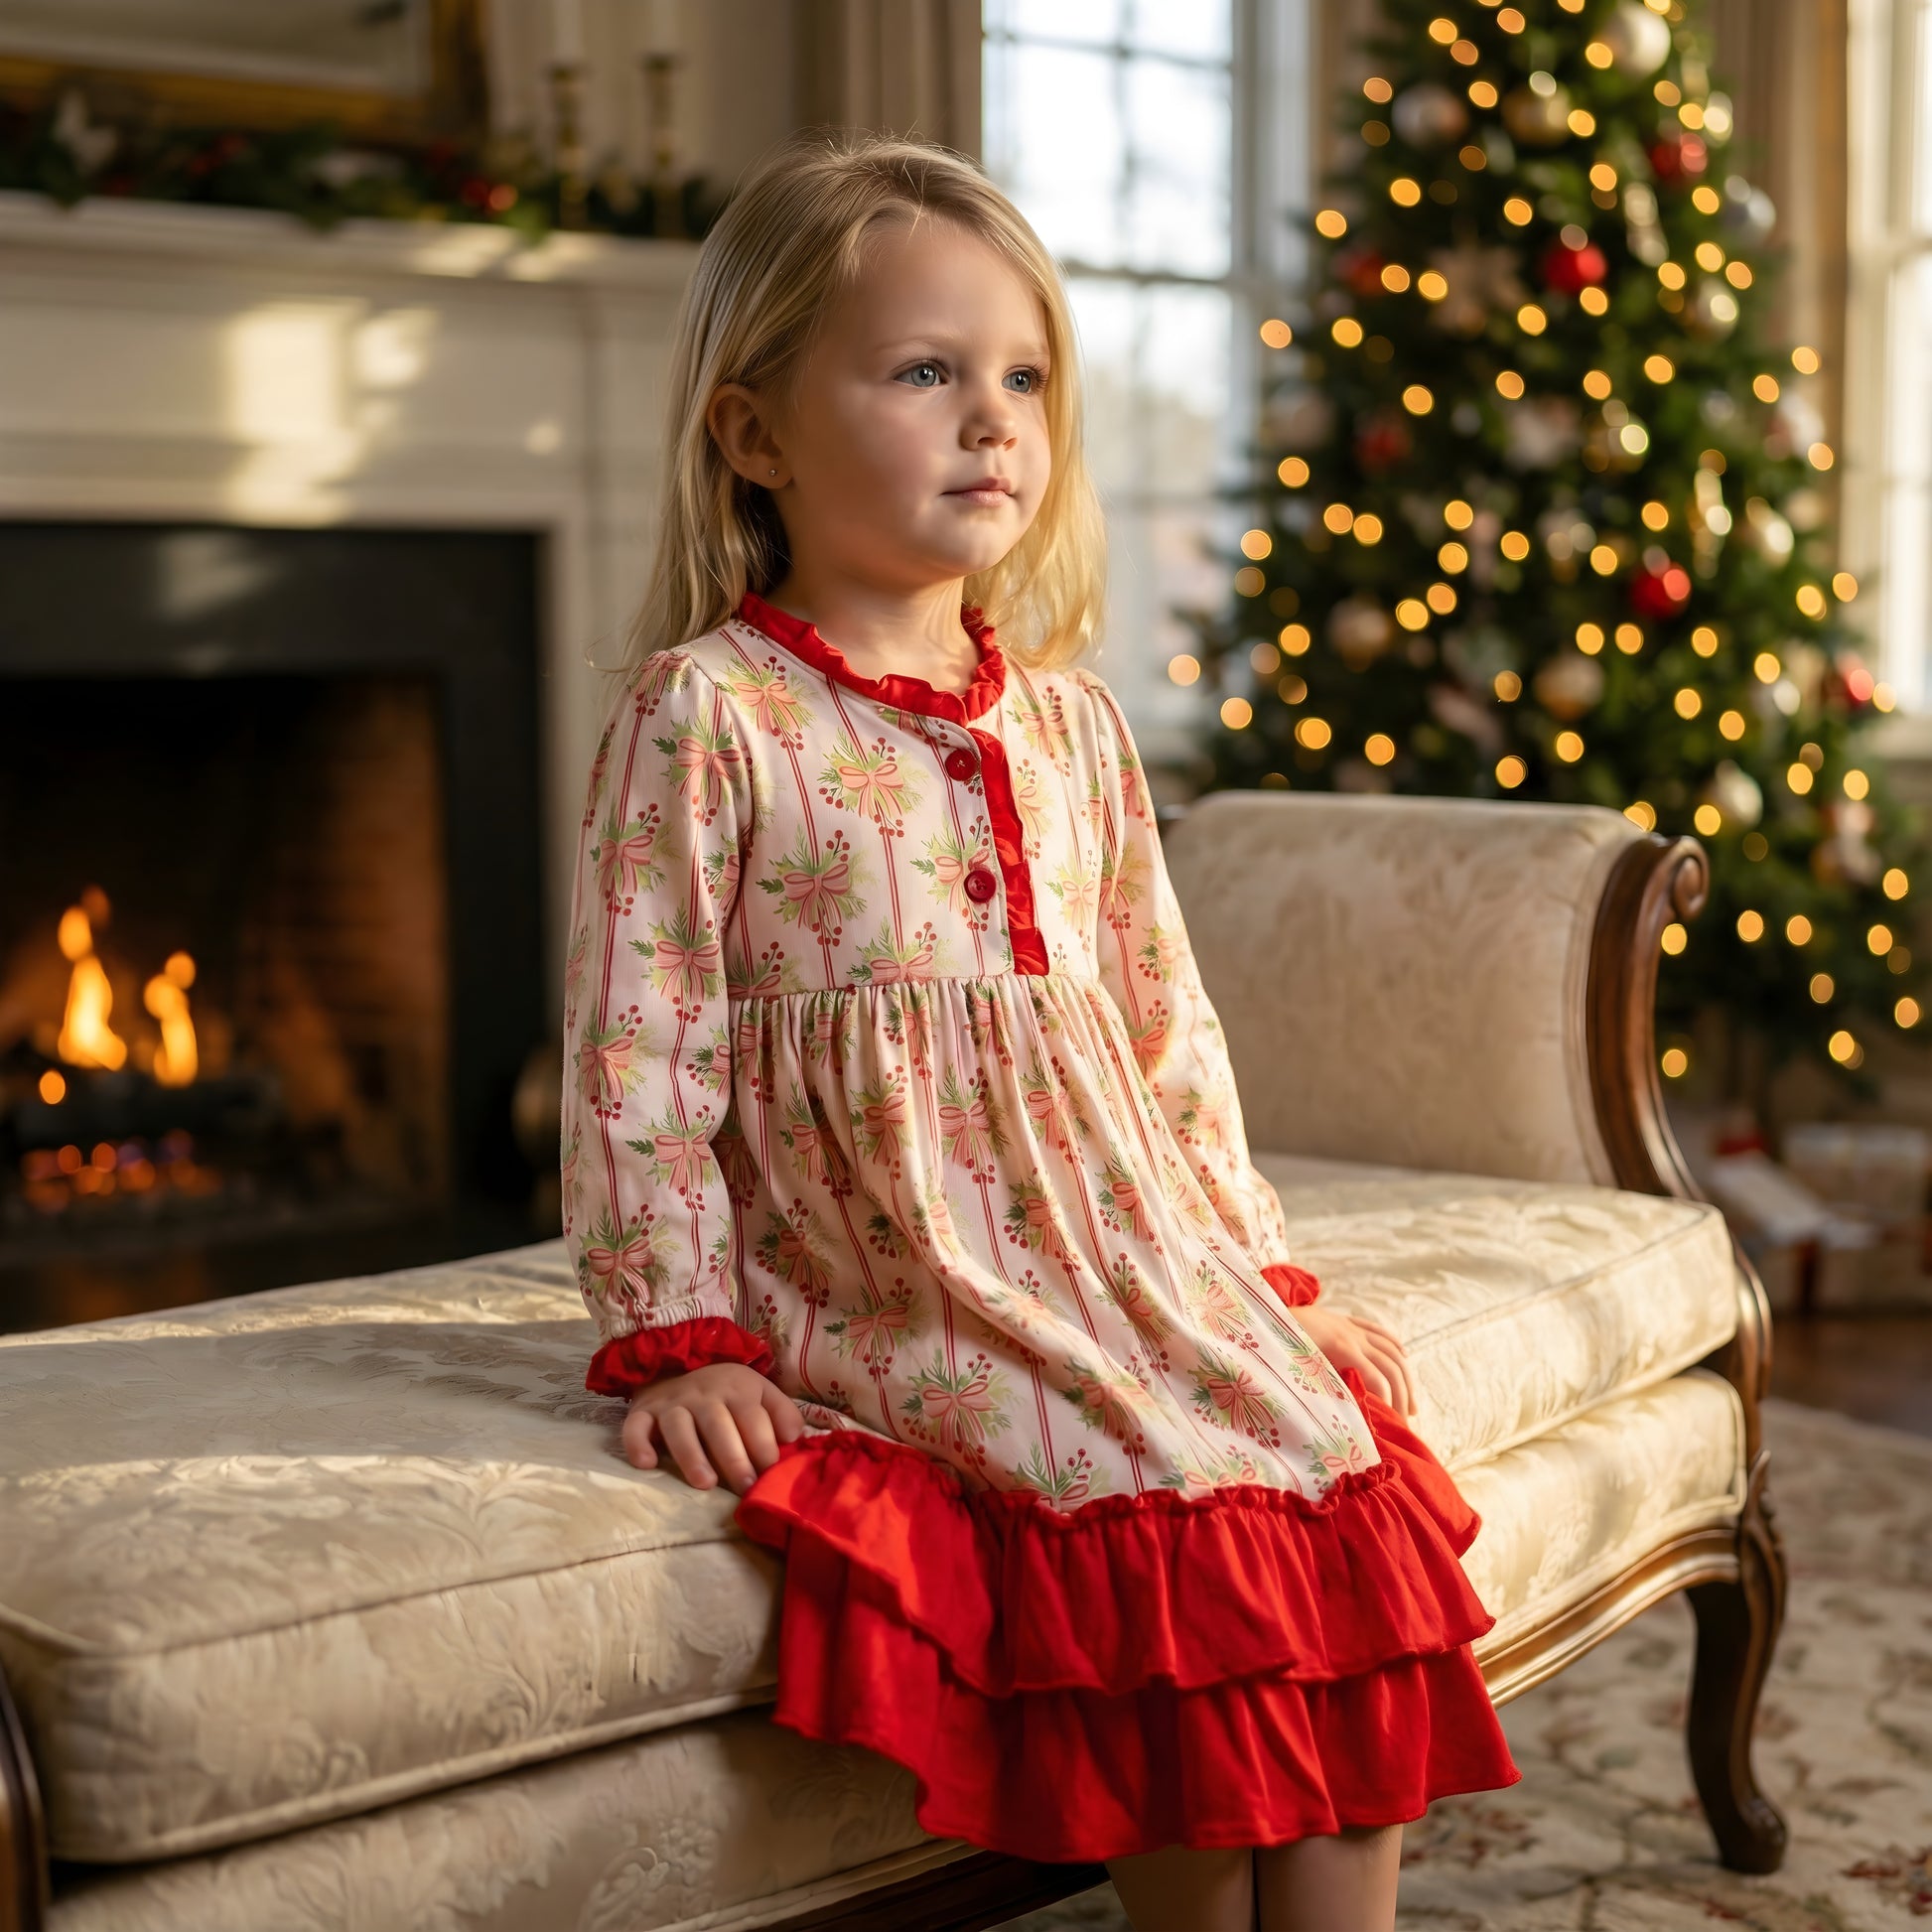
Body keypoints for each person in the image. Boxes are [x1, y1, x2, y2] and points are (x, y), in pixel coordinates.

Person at [560, 128, 1521, 1932]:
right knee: (1157, 1499)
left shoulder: (1067, 723)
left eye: (1021, 377)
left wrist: (1255, 1272)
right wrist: (677, 1333)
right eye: (924, 373)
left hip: (1123, 1245)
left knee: (1322, 1469)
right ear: (753, 434)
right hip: (903, 1259)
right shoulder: (711, 715)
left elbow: (1164, 1026)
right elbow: (641, 1051)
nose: (991, 419)